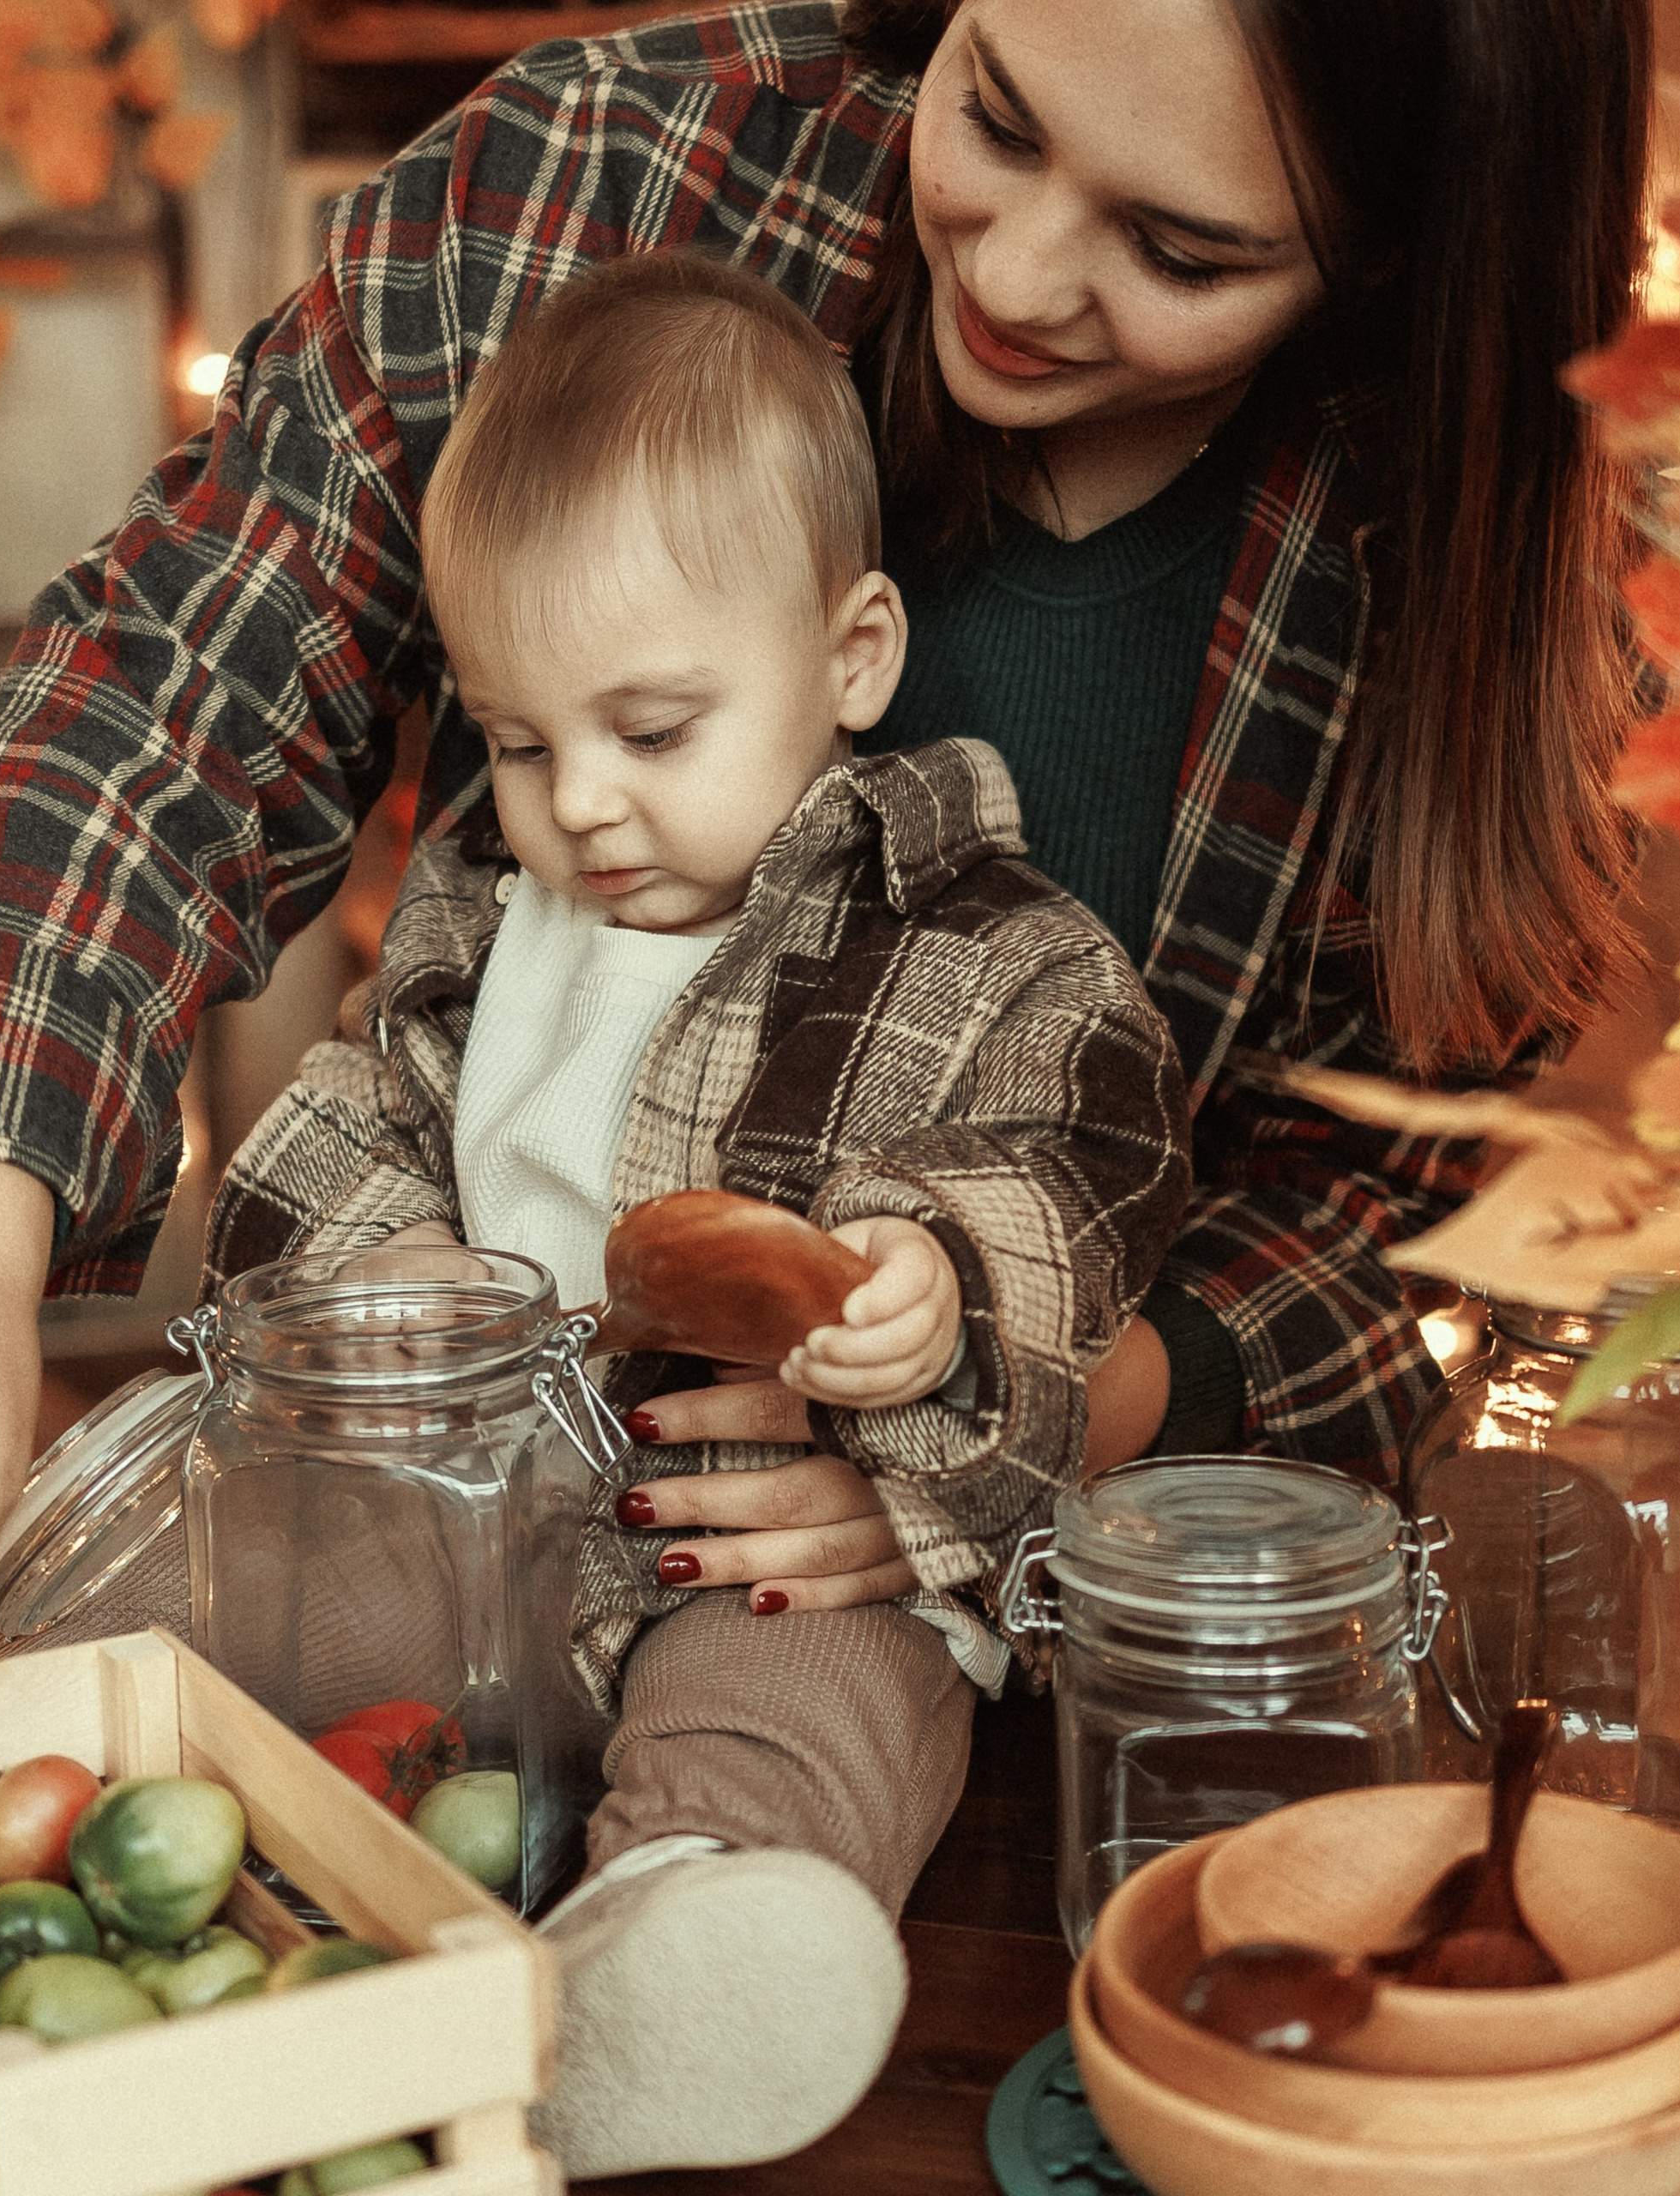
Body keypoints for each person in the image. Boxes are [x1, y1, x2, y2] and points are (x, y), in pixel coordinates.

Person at [0, 0, 1650, 2166]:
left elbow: (1373, 1205)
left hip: (838, 1555)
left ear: (1401, 255)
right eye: (996, 115)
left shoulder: (1419, 588)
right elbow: (182, 699)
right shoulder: (598, 189)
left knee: (809, 1701)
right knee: (195, 1578)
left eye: (1185, 246)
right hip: (443, 1469)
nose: (1024, 275)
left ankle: (675, 1954)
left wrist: (987, 1414)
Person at [188, 250, 1188, 2170]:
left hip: (788, 1533)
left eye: (649, 730)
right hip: (472, 1499)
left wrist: (934, 1287)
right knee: (256, 1610)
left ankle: (658, 1971)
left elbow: (1091, 1166)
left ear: (850, 657)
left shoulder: (975, 941)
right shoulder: (486, 920)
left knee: (805, 1708)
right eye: (516, 738)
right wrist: (367, 1265)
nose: (579, 805)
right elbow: (345, 1115)